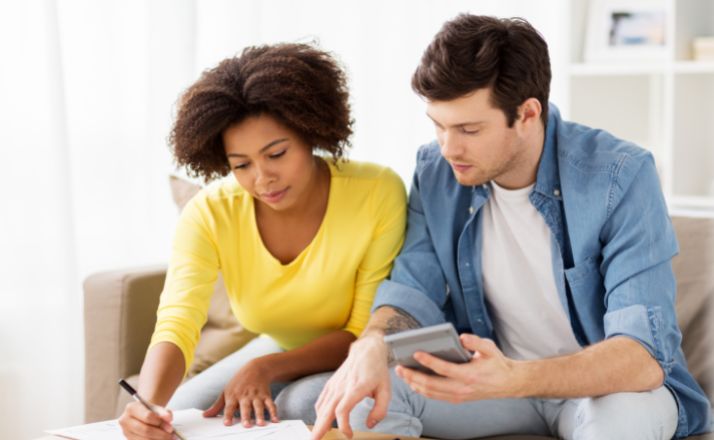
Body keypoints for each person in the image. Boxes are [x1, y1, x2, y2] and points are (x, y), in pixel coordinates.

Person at [311, 14, 712, 440]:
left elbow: (642, 357)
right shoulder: (435, 171)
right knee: (363, 401)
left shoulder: (620, 175)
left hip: (604, 392)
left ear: (527, 114)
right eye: (439, 126)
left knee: (616, 427)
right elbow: (414, 290)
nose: (449, 148)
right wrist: (372, 343)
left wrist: (515, 377)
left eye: (469, 129)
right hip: (494, 386)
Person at [117, 43, 407, 440]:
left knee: (302, 402)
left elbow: (361, 330)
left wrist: (266, 367)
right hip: (279, 345)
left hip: (361, 354)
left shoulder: (376, 191)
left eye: (276, 153)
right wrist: (147, 406)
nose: (262, 178)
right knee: (179, 417)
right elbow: (178, 322)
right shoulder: (209, 213)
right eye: (241, 165)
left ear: (310, 132)